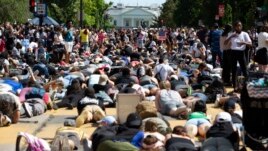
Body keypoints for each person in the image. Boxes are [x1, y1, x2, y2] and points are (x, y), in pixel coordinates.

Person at [225, 21, 252, 91]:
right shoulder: (231, 34)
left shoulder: (245, 34)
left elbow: (250, 44)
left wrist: (244, 43)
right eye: (237, 26)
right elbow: (225, 43)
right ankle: (235, 86)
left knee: (244, 69)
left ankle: (247, 85)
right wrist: (231, 36)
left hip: (241, 52)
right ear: (234, 27)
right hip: (233, 52)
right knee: (234, 70)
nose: (239, 27)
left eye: (240, 26)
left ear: (241, 26)